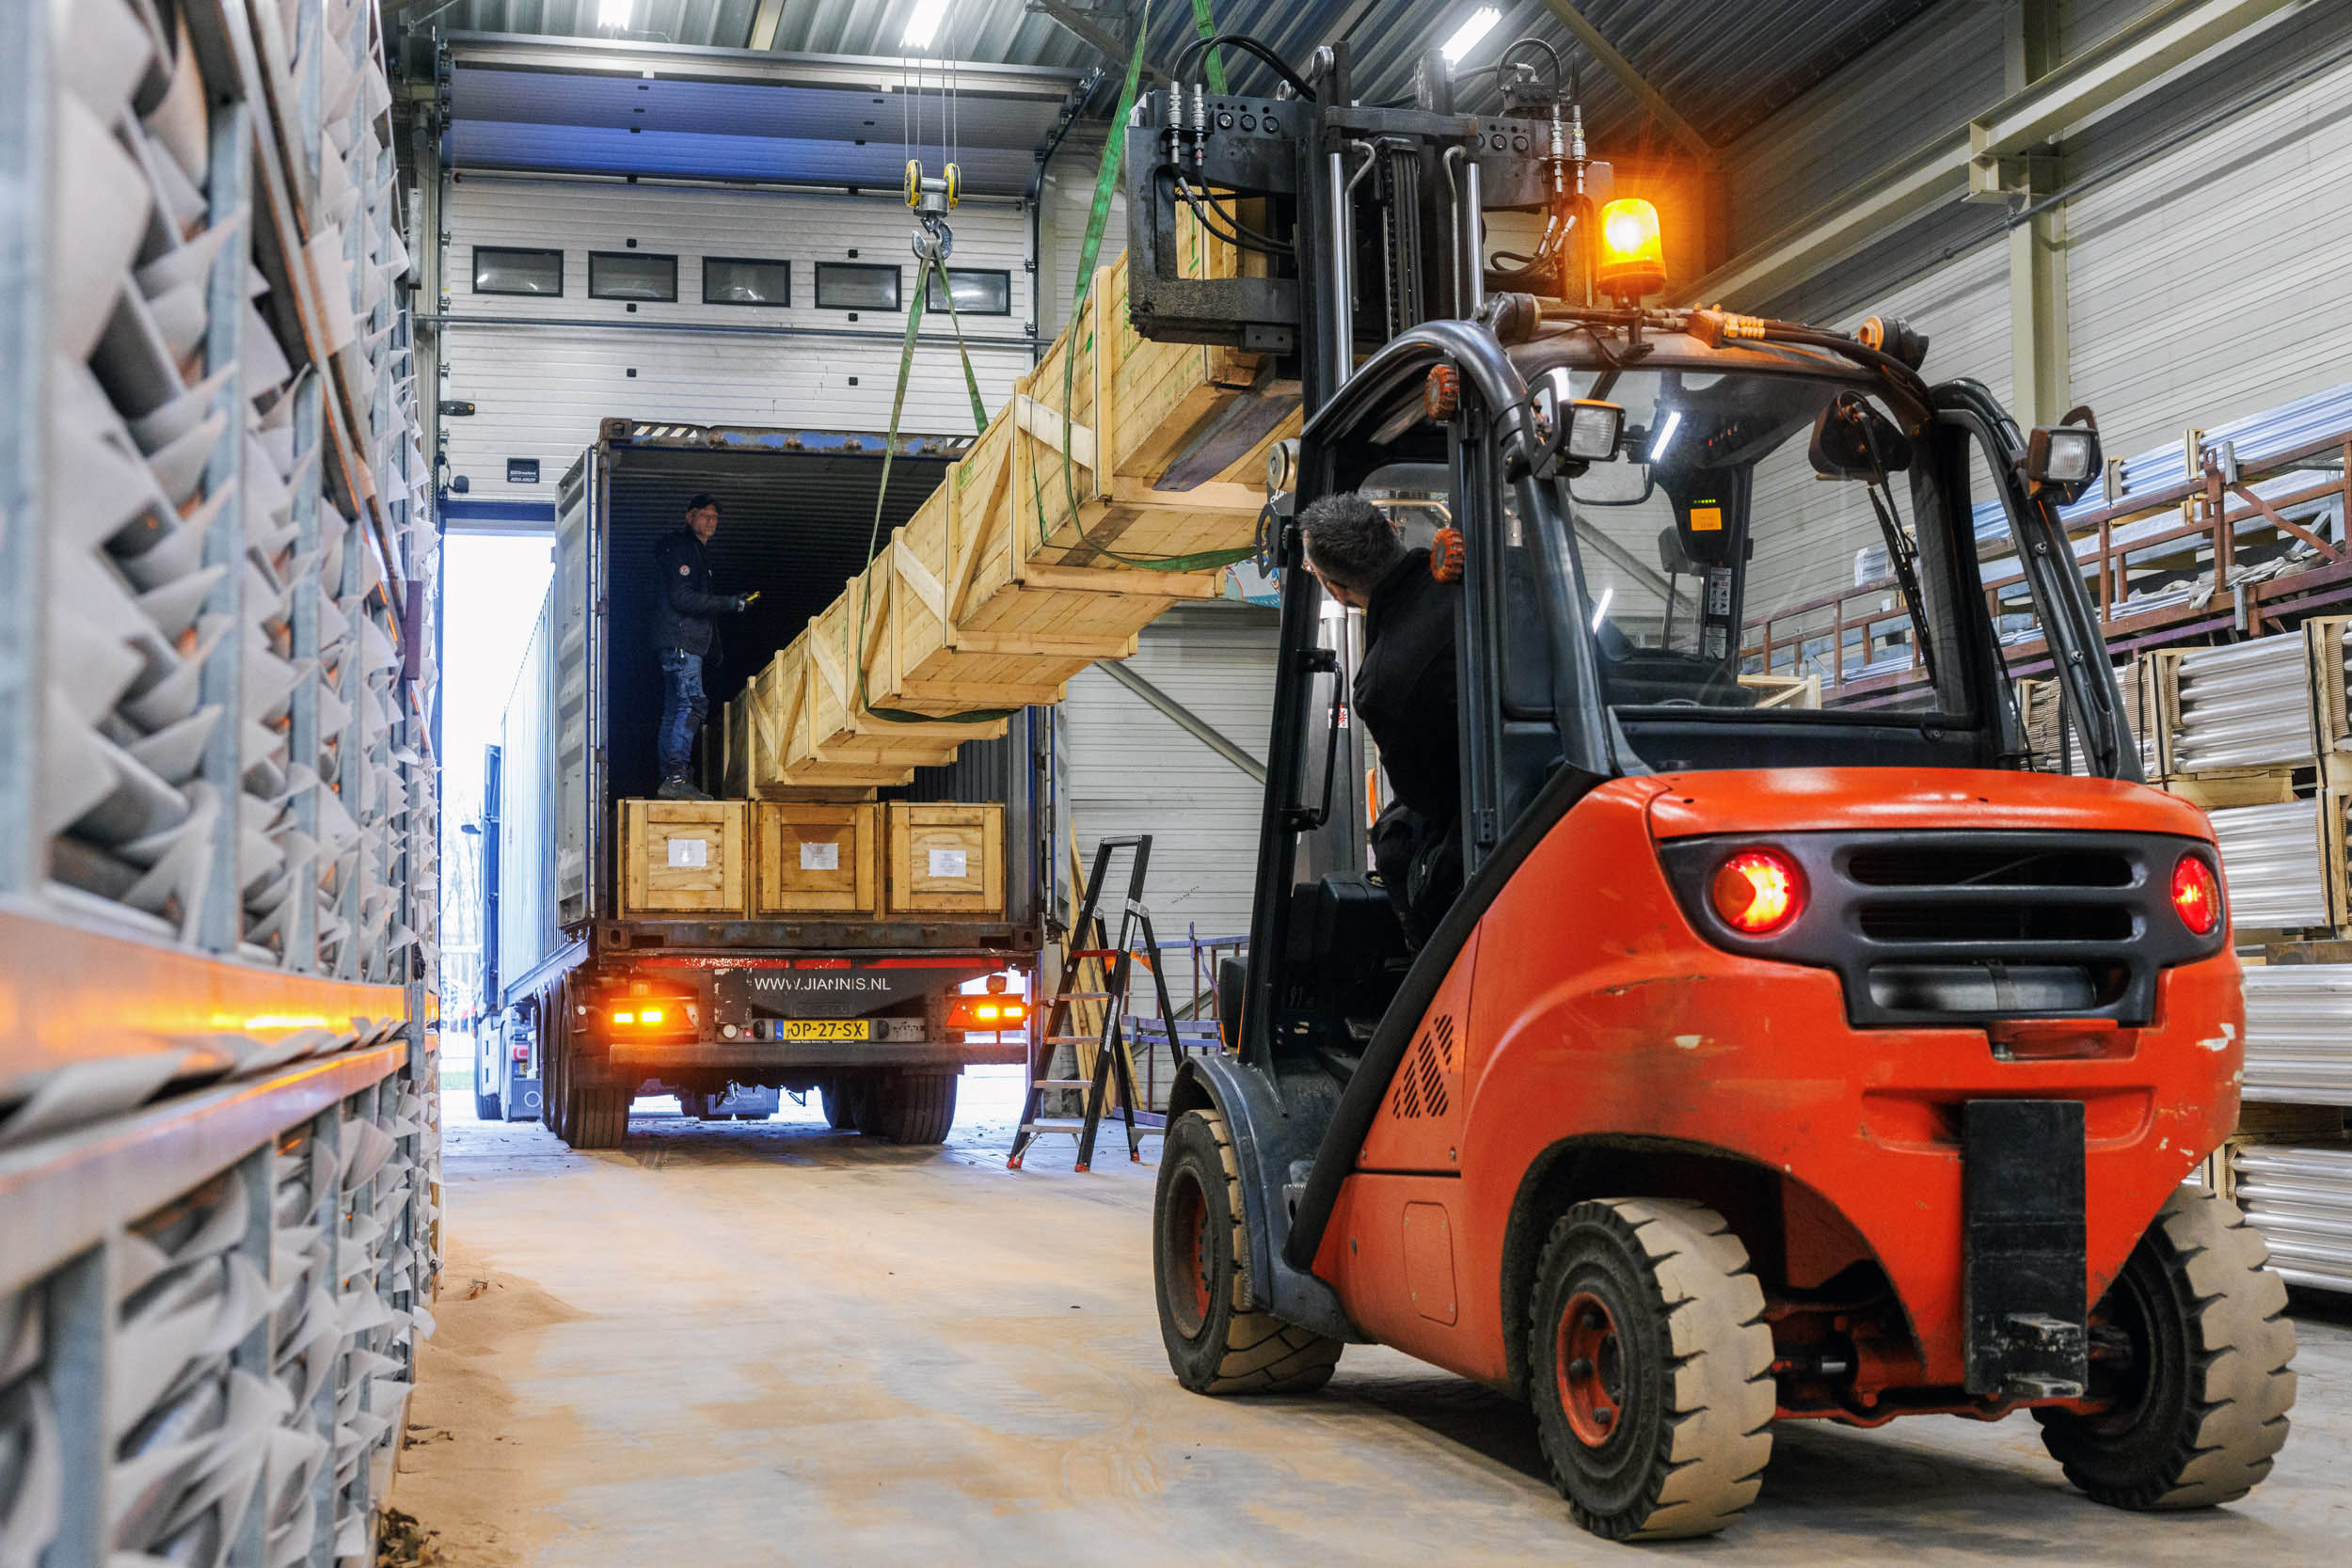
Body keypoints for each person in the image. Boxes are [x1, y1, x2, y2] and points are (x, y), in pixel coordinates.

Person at [1297, 493, 1462, 945]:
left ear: (1336, 590)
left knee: (1394, 842)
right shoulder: (1495, 572)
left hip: (1498, 821)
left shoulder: (1381, 685)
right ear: (1392, 531)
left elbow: (1425, 796)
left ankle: (1428, 970)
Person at [651, 492, 751, 801]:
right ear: (689, 517)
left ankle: (670, 778)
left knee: (674, 710)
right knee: (692, 704)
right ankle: (676, 777)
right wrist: (729, 603)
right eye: (704, 515)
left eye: (714, 517)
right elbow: (682, 598)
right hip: (682, 641)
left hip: (676, 642)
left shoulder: (695, 551)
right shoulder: (685, 550)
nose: (710, 521)